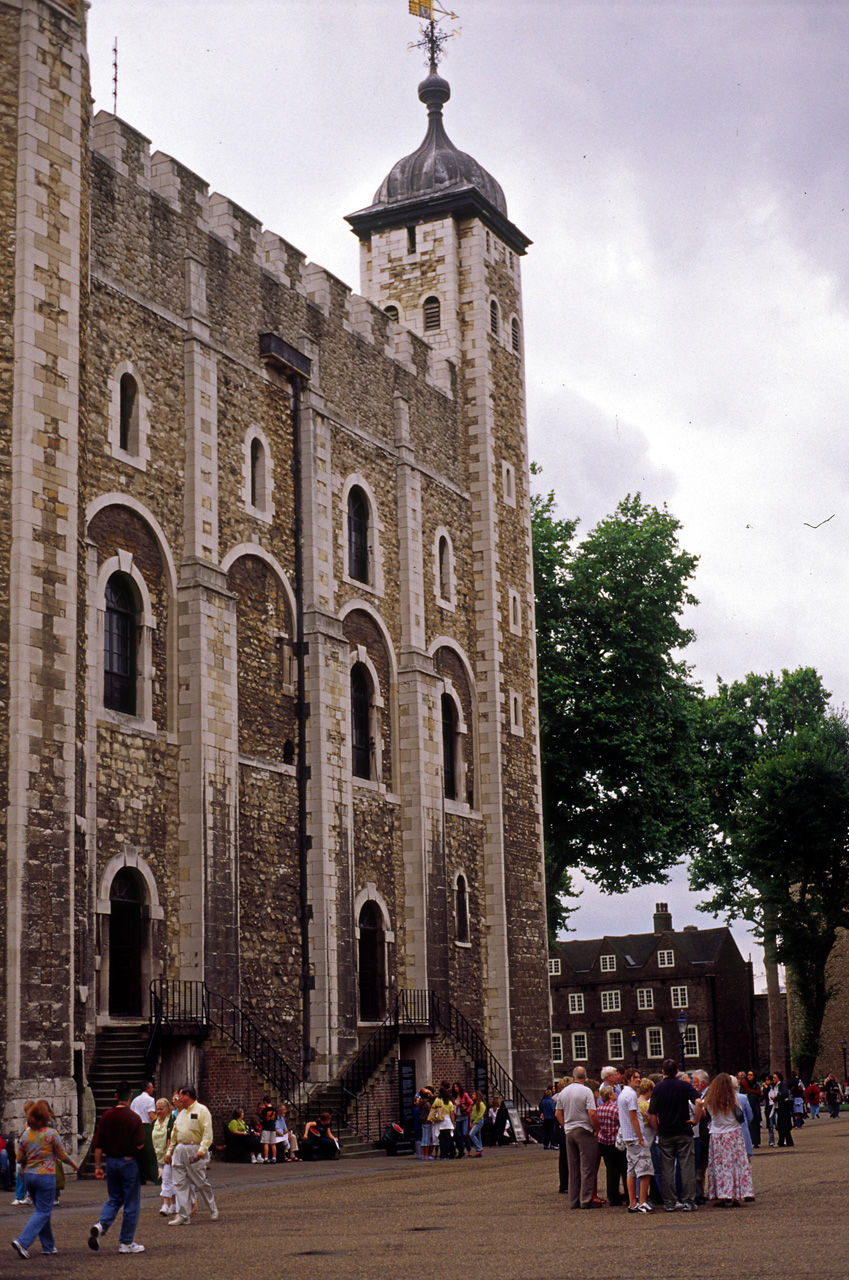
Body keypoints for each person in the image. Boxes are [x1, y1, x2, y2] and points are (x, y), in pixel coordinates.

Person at [11, 1100, 79, 1260]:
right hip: (45, 1175)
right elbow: (62, 1155)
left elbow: (19, 1158)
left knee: (42, 1209)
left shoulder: (26, 1134)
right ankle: (23, 1241)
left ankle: (48, 1246)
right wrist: (73, 1163)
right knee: (43, 1211)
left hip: (29, 1176)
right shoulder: (51, 1134)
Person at [88, 1082, 145, 1255]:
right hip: (128, 1162)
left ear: (115, 1096)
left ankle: (101, 1225)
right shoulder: (134, 1118)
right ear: (130, 1096)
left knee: (114, 1199)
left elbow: (98, 1144)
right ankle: (126, 1242)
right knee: (131, 1203)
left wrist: (98, 1166)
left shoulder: (106, 1116)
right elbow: (140, 1144)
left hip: (111, 1162)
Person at [647, 1058, 702, 1212]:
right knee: (687, 1167)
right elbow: (698, 1102)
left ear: (663, 1072)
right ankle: (689, 1201)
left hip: (666, 1131)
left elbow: (652, 1113)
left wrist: (657, 1129)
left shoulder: (658, 1088)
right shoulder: (684, 1086)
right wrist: (695, 1120)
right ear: (677, 1071)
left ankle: (670, 1202)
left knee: (667, 1169)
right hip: (684, 1130)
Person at [164, 1085, 219, 1225]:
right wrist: (169, 1152)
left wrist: (202, 1149)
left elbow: (207, 1132)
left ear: (187, 1095)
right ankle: (183, 1215)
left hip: (194, 1148)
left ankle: (212, 1207)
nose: (178, 1099)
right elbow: (174, 1135)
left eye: (180, 1095)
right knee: (180, 1183)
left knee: (200, 1182)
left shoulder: (202, 1110)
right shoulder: (180, 1113)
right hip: (180, 1149)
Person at [703, 1073, 755, 1207]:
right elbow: (740, 1114)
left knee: (720, 1166)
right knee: (736, 1164)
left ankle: (722, 1195)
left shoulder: (710, 1100)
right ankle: (737, 1196)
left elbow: (706, 1113)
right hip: (734, 1134)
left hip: (717, 1135)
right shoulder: (735, 1098)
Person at [555, 1066, 599, 1210]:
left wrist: (565, 1126)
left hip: (569, 1131)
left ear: (573, 1077)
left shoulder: (563, 1092)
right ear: (585, 1077)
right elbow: (592, 1113)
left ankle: (574, 1201)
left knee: (573, 1168)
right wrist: (596, 1128)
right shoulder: (586, 1091)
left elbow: (558, 1113)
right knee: (587, 1167)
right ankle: (585, 1200)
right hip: (584, 1129)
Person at [617, 1069, 652, 1214]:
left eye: (639, 1077)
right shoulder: (631, 1094)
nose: (638, 1080)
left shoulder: (623, 1094)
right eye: (635, 1077)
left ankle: (632, 1203)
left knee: (631, 1171)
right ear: (628, 1079)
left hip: (627, 1137)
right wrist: (641, 1137)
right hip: (635, 1137)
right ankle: (642, 1202)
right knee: (645, 1170)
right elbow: (633, 1117)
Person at [596, 1085, 626, 1206]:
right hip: (615, 1141)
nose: (615, 1094)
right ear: (609, 1095)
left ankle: (612, 1196)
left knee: (611, 1169)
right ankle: (628, 1194)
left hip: (603, 1141)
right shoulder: (615, 1109)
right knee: (623, 1168)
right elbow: (622, 1123)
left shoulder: (599, 1109)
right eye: (613, 1092)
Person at [152, 1097, 176, 1213]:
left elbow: (171, 1138)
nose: (159, 1111)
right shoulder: (155, 1122)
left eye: (162, 1109)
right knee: (167, 1179)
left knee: (167, 1179)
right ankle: (174, 1204)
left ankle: (165, 1205)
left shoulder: (170, 1121)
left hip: (168, 1156)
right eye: (157, 1109)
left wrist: (169, 1153)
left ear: (167, 1109)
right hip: (158, 1155)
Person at [452, 1083, 472, 1158]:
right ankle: (461, 1150)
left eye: (457, 1087)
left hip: (464, 1116)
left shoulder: (465, 1095)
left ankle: (469, 1149)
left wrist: (468, 1111)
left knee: (464, 1133)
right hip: (458, 1117)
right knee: (459, 1135)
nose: (456, 1088)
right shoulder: (454, 1097)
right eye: (454, 1087)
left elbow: (471, 1103)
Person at [257, 1096, 278, 1164]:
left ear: (265, 1102)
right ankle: (274, 1158)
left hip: (266, 1128)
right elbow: (275, 1119)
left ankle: (266, 1158)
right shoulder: (275, 1110)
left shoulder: (265, 1110)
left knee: (266, 1143)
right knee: (273, 1144)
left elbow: (262, 1119)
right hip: (272, 1128)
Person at [468, 1091, 487, 1157]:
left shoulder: (481, 1104)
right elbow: (472, 1113)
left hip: (478, 1122)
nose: (472, 1096)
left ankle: (479, 1149)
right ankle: (480, 1152)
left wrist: (475, 1122)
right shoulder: (474, 1104)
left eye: (474, 1094)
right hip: (474, 1121)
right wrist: (471, 1121)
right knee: (478, 1136)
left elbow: (480, 1115)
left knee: (471, 1134)